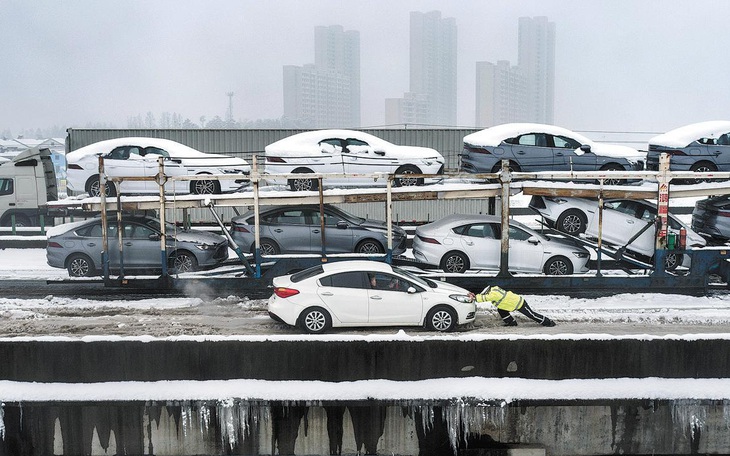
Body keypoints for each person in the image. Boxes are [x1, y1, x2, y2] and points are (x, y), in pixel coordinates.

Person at [468, 286, 555, 327]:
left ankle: (548, 322)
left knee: (532, 315)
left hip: (519, 303)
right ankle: (511, 322)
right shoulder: (494, 289)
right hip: (513, 303)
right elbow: (484, 296)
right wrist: (475, 295)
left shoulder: (494, 294)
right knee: (501, 310)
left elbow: (484, 298)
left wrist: (474, 297)